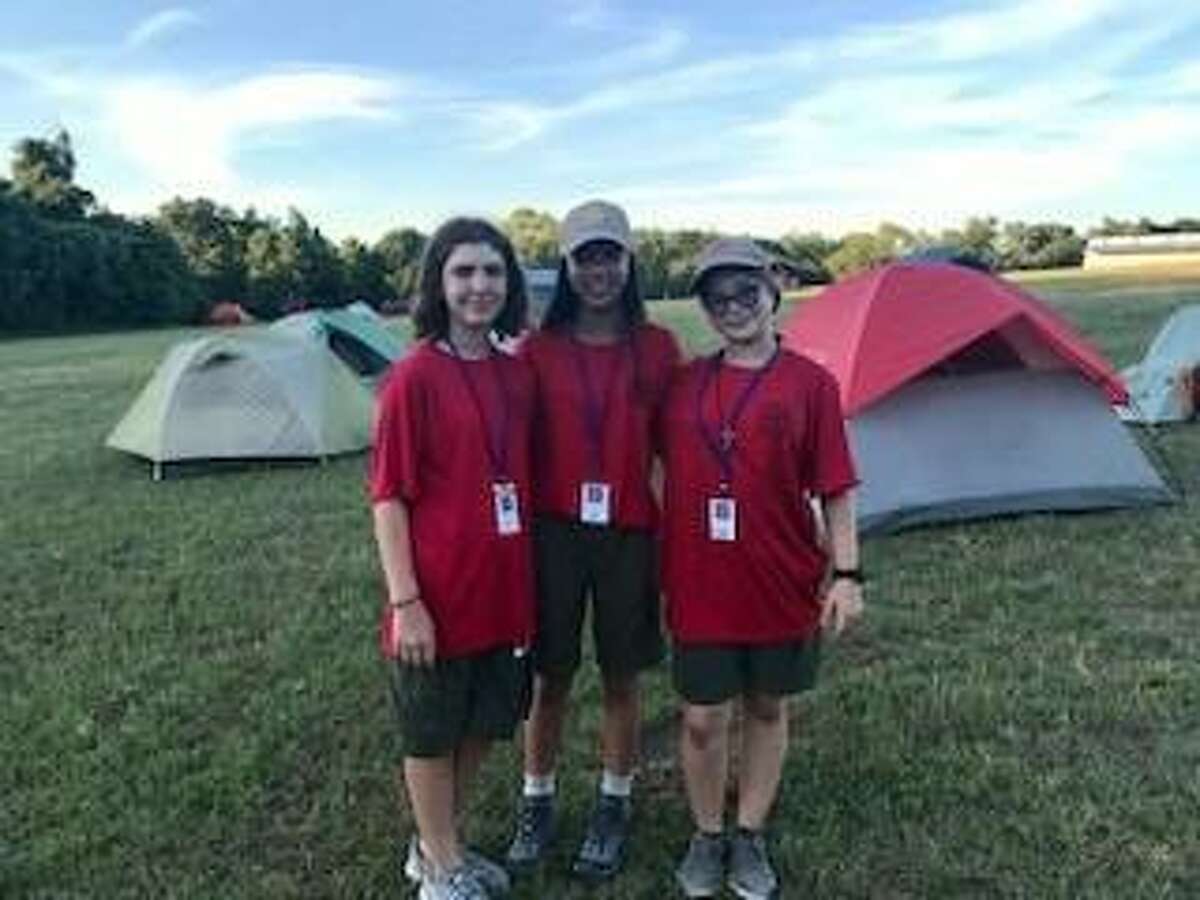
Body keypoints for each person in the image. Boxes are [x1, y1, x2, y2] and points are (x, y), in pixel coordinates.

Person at [661, 238, 863, 900]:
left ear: (773, 289)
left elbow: (835, 486)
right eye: (717, 299)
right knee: (700, 717)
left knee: (767, 708)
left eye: (746, 293)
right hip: (699, 582)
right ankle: (707, 833)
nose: (733, 308)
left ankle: (748, 832)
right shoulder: (685, 382)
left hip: (781, 579)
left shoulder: (811, 384)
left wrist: (847, 575)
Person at [506, 200, 681, 881]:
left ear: (628, 260)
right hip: (554, 534)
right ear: (568, 265)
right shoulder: (538, 351)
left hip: (630, 532)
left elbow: (685, 439)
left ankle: (614, 801)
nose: (599, 269)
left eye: (610, 254)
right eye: (586, 256)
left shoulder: (659, 347)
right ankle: (537, 800)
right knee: (550, 676)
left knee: (620, 675)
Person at [371, 217, 535, 900]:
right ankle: (441, 870)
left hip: (504, 593)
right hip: (437, 596)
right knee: (432, 735)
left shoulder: (514, 373)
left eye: (492, 271)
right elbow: (389, 498)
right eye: (464, 271)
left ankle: (436, 844)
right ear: (439, 283)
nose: (479, 286)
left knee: (485, 726)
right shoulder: (414, 377)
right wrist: (407, 603)